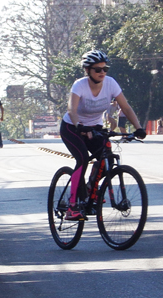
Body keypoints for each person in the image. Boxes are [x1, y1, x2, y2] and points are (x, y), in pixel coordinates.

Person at [60, 50, 146, 221]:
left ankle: (91, 190)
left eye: (105, 69)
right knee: (83, 159)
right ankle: (72, 206)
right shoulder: (80, 85)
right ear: (87, 70)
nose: (102, 72)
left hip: (96, 127)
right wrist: (79, 126)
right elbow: (72, 109)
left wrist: (138, 128)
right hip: (73, 127)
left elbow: (126, 108)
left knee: (107, 157)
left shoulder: (111, 84)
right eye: (97, 69)